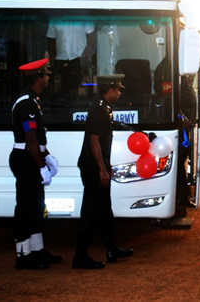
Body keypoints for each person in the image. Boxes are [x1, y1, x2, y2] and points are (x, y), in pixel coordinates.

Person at [73, 75, 134, 269]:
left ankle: (111, 249)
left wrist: (106, 166)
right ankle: (80, 256)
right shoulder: (99, 110)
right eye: (118, 90)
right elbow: (94, 141)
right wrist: (102, 169)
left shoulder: (104, 108)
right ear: (111, 90)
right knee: (91, 212)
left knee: (105, 210)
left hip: (98, 166)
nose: (120, 93)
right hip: (93, 168)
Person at [10, 59, 61, 270]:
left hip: (31, 156)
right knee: (26, 207)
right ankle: (23, 255)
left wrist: (47, 156)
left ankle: (37, 250)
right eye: (46, 75)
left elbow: (37, 140)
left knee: (37, 206)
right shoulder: (27, 104)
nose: (49, 78)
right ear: (39, 79)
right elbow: (30, 139)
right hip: (25, 160)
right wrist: (41, 167)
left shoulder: (33, 100)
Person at [47, 20, 95, 99]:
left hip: (80, 59)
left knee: (79, 86)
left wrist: (88, 50)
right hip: (61, 59)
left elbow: (92, 35)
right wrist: (52, 56)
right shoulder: (55, 18)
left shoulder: (83, 16)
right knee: (64, 88)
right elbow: (51, 38)